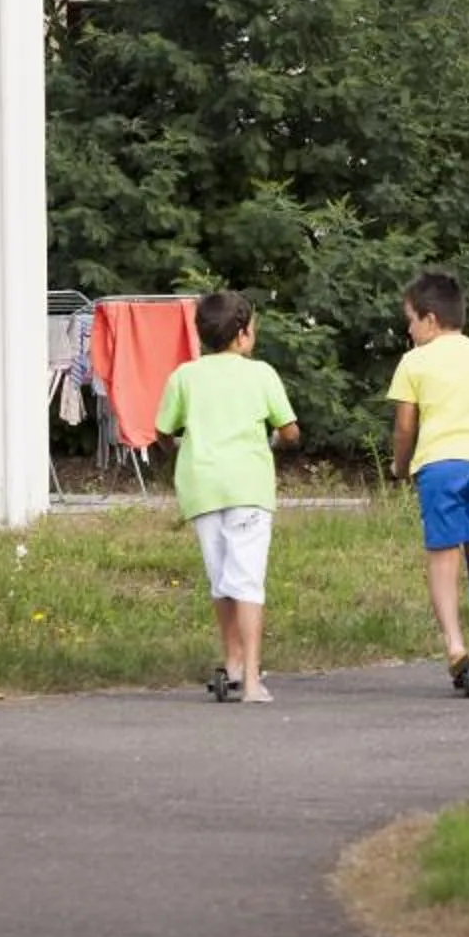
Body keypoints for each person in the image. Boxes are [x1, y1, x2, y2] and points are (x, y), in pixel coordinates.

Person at [153, 289, 299, 704]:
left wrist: (177, 448)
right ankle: (251, 680)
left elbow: (162, 430)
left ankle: (232, 661)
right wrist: (277, 440)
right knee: (247, 580)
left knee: (221, 579)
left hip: (202, 487)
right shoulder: (261, 374)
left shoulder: (184, 376)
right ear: (243, 334)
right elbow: (290, 431)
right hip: (248, 487)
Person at [387, 268, 469, 690]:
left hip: (439, 466)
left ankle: (455, 645)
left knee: (443, 559)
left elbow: (405, 427)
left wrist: (400, 466)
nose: (409, 330)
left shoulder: (414, 361)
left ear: (429, 319)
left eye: (411, 320)